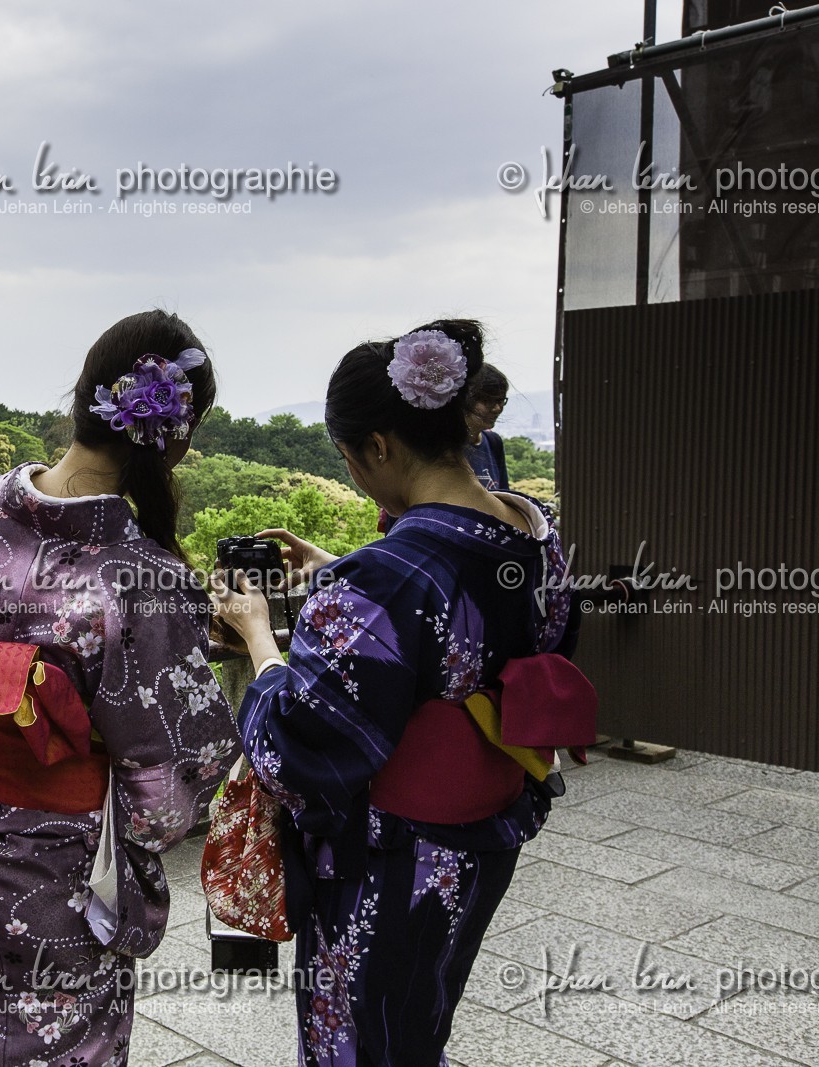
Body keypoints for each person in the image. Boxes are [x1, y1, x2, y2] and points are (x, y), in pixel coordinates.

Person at [0, 309, 241, 1066]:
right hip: (56, 879)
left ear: (83, 400)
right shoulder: (146, 576)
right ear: (178, 437)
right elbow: (169, 794)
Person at [214, 320, 585, 1066]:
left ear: (379, 446)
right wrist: (344, 569)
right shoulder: (531, 530)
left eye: (350, 458)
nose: (354, 472)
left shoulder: (383, 577)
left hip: (397, 854)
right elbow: (460, 616)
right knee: (420, 1017)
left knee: (359, 1035)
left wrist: (258, 638)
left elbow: (301, 748)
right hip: (488, 829)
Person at [464, 362, 509, 490]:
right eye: (488, 401)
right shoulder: (446, 448)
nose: (497, 408)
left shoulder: (493, 442)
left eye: (500, 401)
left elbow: (505, 495)